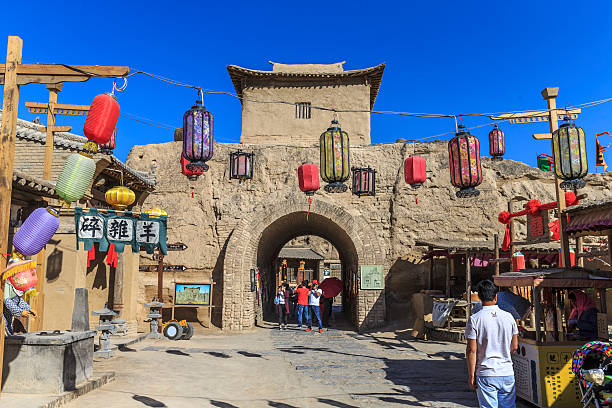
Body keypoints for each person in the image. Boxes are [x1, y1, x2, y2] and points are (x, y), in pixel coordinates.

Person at [466, 280, 518, 408]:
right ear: (496, 296)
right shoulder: (509, 317)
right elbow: (514, 346)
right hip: (506, 372)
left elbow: (471, 350)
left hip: (486, 372)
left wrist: (471, 375)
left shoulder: (475, 319)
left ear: (479, 297)